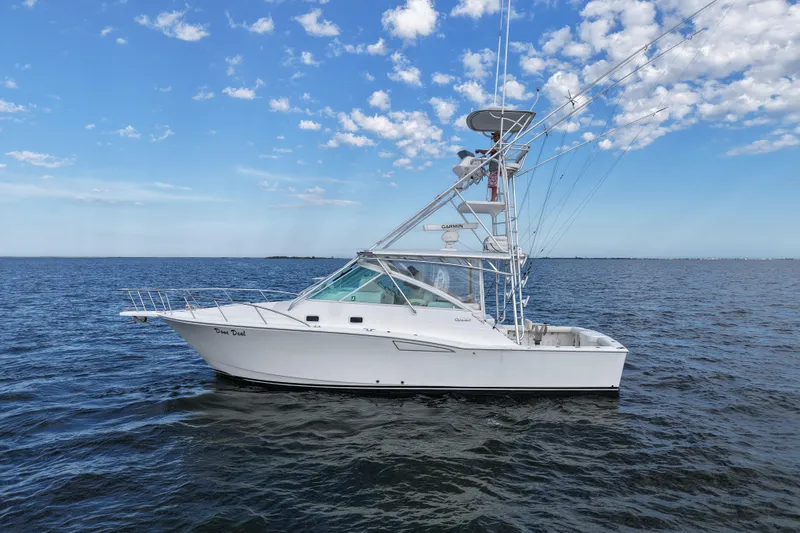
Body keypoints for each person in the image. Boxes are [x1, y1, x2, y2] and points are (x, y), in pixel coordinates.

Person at [476, 131, 501, 202]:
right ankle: (493, 199)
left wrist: (479, 150)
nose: (494, 138)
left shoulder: (499, 145)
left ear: (499, 137)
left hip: (495, 167)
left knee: (493, 184)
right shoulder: (498, 145)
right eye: (493, 137)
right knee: (493, 183)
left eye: (495, 136)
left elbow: (487, 152)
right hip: (493, 167)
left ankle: (493, 199)